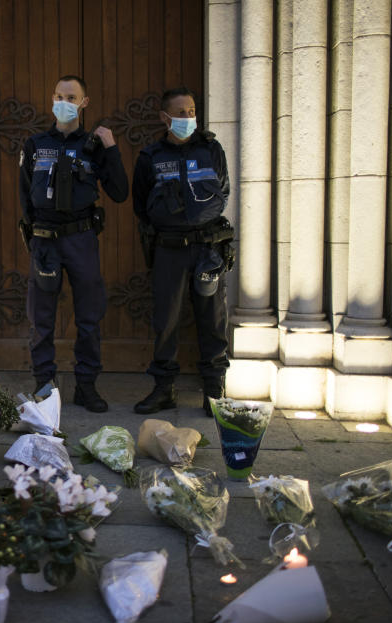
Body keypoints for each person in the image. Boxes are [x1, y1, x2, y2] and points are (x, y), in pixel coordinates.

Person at [18, 75, 129, 413]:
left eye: (71, 96)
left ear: (84, 103)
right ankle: (43, 384)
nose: (63, 101)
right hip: (45, 241)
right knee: (42, 318)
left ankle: (86, 385)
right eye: (58, 95)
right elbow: (24, 195)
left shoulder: (94, 146)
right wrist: (34, 237)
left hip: (81, 239)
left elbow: (120, 193)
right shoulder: (35, 144)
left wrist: (111, 148)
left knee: (89, 317)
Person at [131, 86, 234, 417]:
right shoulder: (150, 157)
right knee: (166, 321)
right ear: (165, 118)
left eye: (191, 111)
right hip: (169, 250)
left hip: (207, 249)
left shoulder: (211, 149)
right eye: (180, 113)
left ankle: (214, 390)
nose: (188, 118)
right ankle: (164, 389)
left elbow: (224, 191)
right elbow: (141, 205)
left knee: (212, 318)